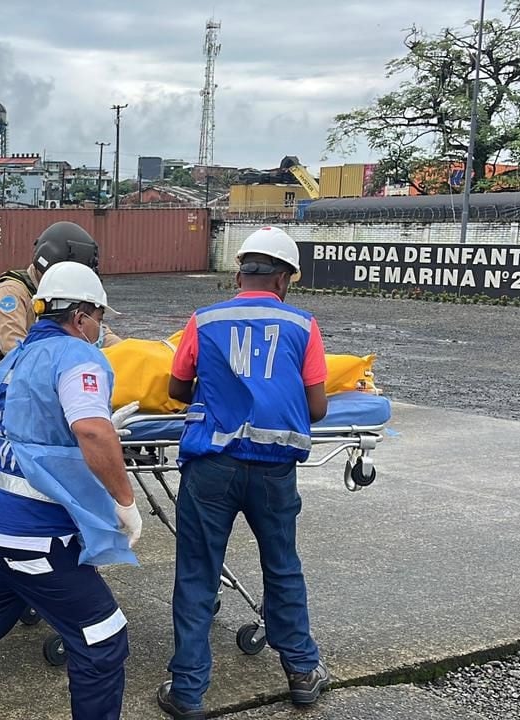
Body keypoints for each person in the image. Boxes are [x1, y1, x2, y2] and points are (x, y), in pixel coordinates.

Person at [0, 261, 143, 720]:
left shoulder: (15, 360)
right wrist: (125, 500)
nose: (101, 327)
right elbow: (92, 433)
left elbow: (36, 432)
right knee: (103, 637)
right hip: (33, 534)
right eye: (99, 316)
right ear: (80, 315)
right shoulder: (77, 356)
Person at [156, 226, 331, 719]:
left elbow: (176, 387)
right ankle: (301, 671)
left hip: (211, 464)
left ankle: (187, 692)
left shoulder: (204, 319)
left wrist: (222, 395)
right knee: (282, 565)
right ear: (285, 279)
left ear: (240, 273)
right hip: (274, 471)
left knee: (197, 574)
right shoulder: (303, 325)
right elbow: (316, 408)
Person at [0, 221, 121, 585]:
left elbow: (102, 335)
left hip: (33, 393)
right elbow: (13, 345)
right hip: (1, 391)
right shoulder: (13, 292)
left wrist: (133, 355)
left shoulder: (61, 294)